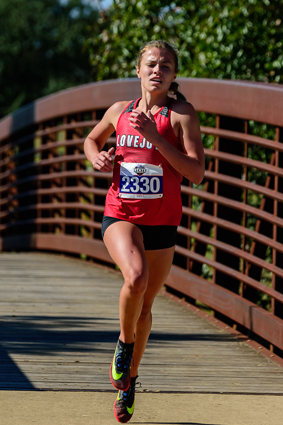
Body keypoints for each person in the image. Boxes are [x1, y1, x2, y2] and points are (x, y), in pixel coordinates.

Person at [84, 40, 205, 423]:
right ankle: (123, 345)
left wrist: (155, 138)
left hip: (162, 223)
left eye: (166, 66)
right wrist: (97, 156)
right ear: (138, 70)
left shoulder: (181, 115)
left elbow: (197, 172)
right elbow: (91, 139)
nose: (157, 71)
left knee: (146, 308)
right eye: (151, 64)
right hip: (121, 213)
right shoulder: (120, 111)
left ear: (173, 76)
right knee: (135, 277)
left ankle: (130, 381)